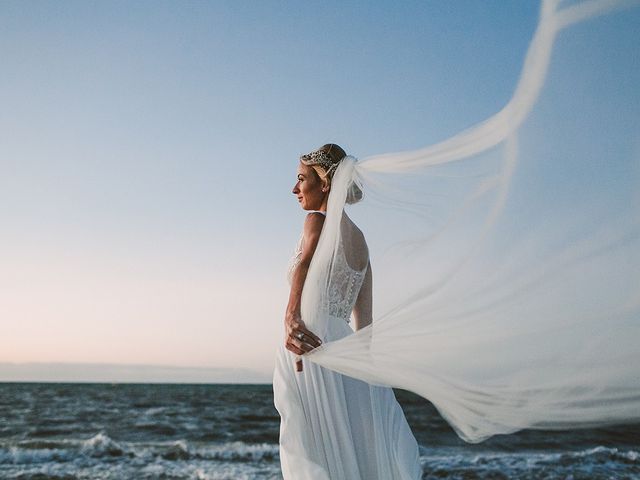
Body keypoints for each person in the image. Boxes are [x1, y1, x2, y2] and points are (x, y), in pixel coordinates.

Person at [272, 144, 423, 479]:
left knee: (310, 446)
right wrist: (365, 379)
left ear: (325, 183)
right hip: (344, 349)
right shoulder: (362, 242)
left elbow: (302, 267)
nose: (295, 189)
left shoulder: (315, 221)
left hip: (308, 341)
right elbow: (365, 325)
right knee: (348, 447)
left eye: (301, 179)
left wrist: (290, 318)